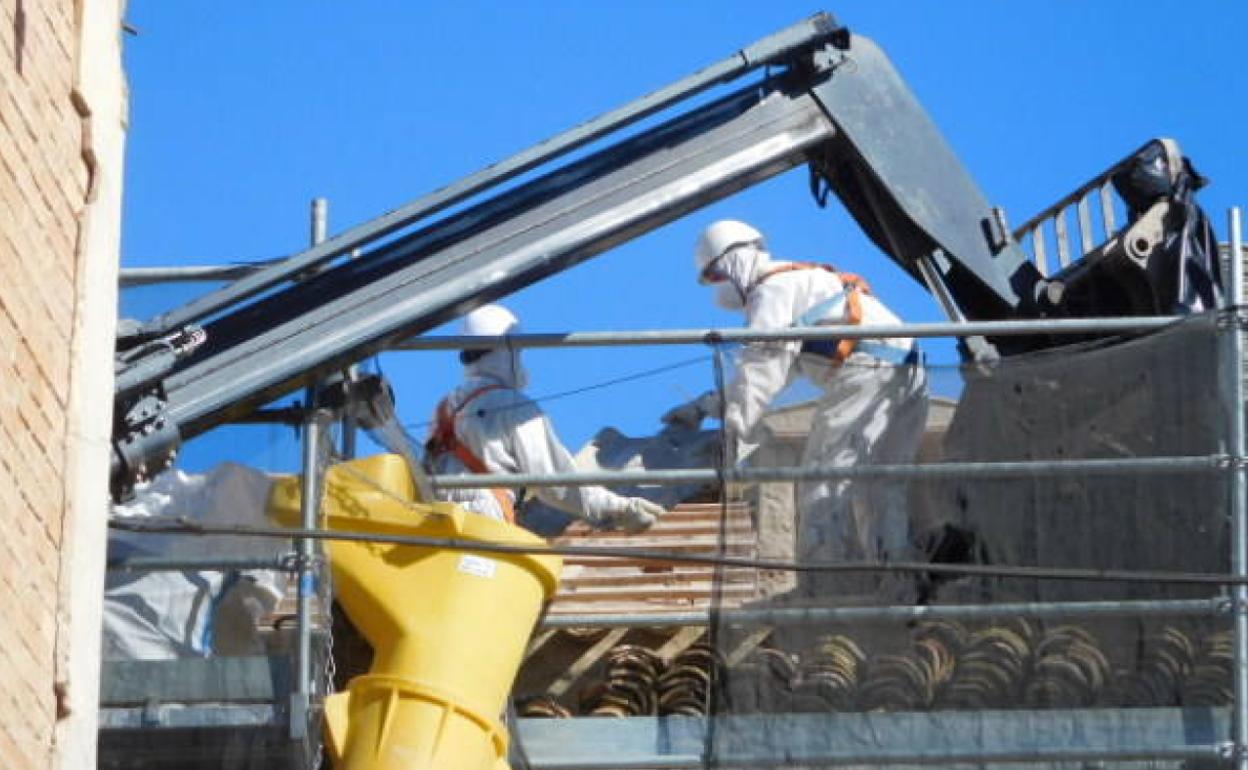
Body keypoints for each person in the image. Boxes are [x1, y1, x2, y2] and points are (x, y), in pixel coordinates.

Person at [663, 220, 929, 586]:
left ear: (731, 261)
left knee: (823, 478)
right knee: (881, 485)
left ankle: (827, 583)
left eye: (714, 275)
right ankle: (899, 578)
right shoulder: (800, 283)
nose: (717, 285)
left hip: (869, 372)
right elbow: (772, 373)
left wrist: (735, 434)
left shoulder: (770, 291)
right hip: (908, 372)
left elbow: (762, 369)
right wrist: (703, 407)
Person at [425, 303, 666, 532]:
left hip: (437, 522)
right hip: (483, 521)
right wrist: (620, 509)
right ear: (507, 351)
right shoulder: (512, 405)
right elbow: (555, 482)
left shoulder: (443, 409)